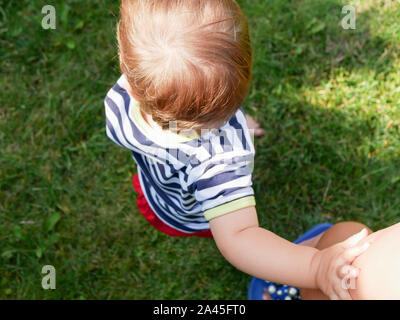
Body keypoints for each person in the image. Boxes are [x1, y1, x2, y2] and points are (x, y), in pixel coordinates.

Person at [105, 0, 370, 299]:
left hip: (156, 191)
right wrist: (316, 266)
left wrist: (228, 122)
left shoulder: (122, 98)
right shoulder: (219, 162)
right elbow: (239, 237)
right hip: (194, 213)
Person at [297, 221, 400, 300]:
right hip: (339, 266)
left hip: (338, 289)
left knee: (313, 291)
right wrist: (316, 266)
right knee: (346, 231)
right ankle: (299, 257)